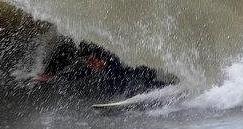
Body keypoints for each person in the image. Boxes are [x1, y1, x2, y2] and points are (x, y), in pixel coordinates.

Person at [34, 37, 167, 98]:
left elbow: (143, 68)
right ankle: (136, 91)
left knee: (132, 80)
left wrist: (141, 87)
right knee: (107, 89)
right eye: (90, 62)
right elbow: (78, 74)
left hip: (141, 70)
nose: (91, 65)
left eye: (93, 62)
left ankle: (163, 87)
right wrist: (53, 77)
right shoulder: (96, 63)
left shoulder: (114, 59)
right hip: (120, 75)